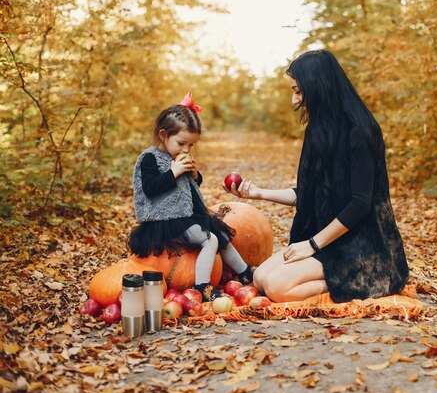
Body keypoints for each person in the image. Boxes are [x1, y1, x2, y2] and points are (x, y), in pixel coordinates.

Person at [224, 50, 409, 303]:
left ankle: (365, 279)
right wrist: (258, 193)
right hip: (327, 240)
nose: (294, 100)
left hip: (361, 246)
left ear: (318, 87)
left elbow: (359, 204)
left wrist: (311, 245)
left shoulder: (360, 131)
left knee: (278, 288)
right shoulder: (318, 131)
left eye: (299, 91)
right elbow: (308, 193)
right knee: (260, 278)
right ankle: (334, 278)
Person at [128, 93, 253, 302]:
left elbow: (188, 189)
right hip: (164, 221)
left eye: (190, 145)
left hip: (185, 216)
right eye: (181, 143)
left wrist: (195, 175)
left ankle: (245, 272)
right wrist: (173, 172)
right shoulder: (149, 158)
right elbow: (150, 188)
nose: (185, 150)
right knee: (209, 239)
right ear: (162, 135)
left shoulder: (176, 157)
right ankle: (202, 287)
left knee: (220, 235)